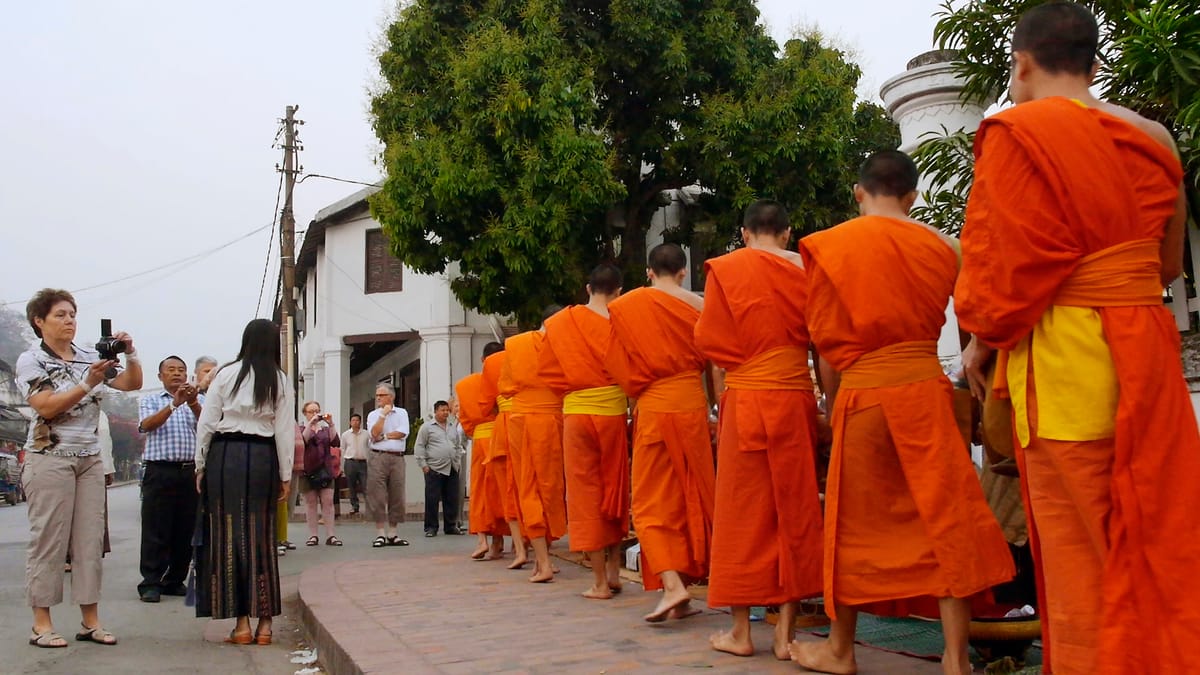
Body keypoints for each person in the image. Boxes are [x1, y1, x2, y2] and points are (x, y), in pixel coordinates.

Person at [954, 4, 1196, 673]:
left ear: (1023, 63)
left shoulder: (1015, 131)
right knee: (1157, 540)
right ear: (1093, 63)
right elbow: (1168, 263)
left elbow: (1000, 275)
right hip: (1146, 358)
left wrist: (980, 341)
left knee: (1081, 555)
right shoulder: (1155, 138)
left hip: (1068, 365)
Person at [789, 151, 1014, 675]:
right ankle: (955, 658)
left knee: (850, 524)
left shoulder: (831, 245)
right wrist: (976, 349)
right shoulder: (945, 246)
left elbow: (824, 342)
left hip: (863, 393)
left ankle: (841, 650)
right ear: (913, 197)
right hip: (925, 393)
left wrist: (828, 403)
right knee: (947, 520)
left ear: (858, 193)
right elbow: (987, 307)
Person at [694, 201, 823, 660]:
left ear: (744, 233)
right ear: (787, 233)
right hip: (794, 397)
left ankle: (740, 632)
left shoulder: (728, 269)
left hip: (746, 396)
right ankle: (786, 635)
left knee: (741, 511)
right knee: (794, 508)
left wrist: (716, 403)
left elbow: (713, 347)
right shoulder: (809, 269)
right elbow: (822, 342)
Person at [17, 288, 142, 648]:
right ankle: (41, 622)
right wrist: (89, 382)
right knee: (48, 541)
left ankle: (90, 621)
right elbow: (46, 406)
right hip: (49, 458)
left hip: (89, 459)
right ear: (39, 322)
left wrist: (130, 352)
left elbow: (131, 384)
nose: (69, 320)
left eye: (72, 314)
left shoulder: (91, 356)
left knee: (89, 542)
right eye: (60, 314)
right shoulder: (32, 360)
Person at [606, 243, 715, 623]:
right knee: (696, 493)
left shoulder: (629, 307)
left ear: (649, 273)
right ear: (684, 271)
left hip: (654, 404)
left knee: (652, 500)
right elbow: (713, 364)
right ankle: (687, 583)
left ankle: (673, 584)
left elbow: (619, 366)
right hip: (692, 405)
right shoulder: (701, 305)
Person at [194, 318, 294, 646]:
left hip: (225, 458)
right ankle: (265, 625)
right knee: (262, 537)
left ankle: (241, 625)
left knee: (229, 536)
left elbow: (207, 423)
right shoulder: (279, 379)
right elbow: (284, 430)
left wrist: (200, 465)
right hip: (263, 458)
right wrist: (285, 475)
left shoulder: (225, 373)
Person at [539, 265, 631, 599]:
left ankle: (599, 583)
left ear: (587, 287)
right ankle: (613, 570)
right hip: (613, 411)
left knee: (585, 493)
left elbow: (547, 372)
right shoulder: (624, 321)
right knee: (614, 488)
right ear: (618, 290)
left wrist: (577, 387)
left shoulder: (561, 323)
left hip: (578, 412)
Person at [504, 315, 567, 583]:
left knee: (528, 488)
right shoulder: (564, 345)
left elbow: (505, 388)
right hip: (554, 419)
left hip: (521, 419)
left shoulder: (516, 345)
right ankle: (546, 556)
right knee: (551, 487)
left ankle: (544, 562)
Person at [136, 355, 203, 603]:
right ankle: (151, 582)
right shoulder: (151, 399)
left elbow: (209, 425)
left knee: (185, 529)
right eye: (171, 370)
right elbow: (146, 425)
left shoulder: (199, 400)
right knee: (155, 527)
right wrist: (174, 405)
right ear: (160, 376)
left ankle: (174, 579)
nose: (177, 374)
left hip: (190, 471)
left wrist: (193, 403)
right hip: (159, 470)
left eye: (181, 370)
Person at [456, 347, 508, 560]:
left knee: (479, 491)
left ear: (482, 359)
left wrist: (476, 431)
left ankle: (482, 540)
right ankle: (499, 541)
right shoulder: (505, 380)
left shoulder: (466, 385)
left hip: (480, 439)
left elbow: (464, 419)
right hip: (502, 435)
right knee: (502, 489)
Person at [481, 343, 528, 567]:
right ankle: (540, 552)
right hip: (531, 421)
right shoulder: (529, 353)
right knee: (532, 486)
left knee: (508, 491)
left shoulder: (490, 366)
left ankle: (518, 549)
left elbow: (483, 407)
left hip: (504, 428)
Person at [366, 383, 410, 548]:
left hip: (397, 457)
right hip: (378, 457)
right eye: (377, 395)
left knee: (397, 494)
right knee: (377, 494)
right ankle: (380, 533)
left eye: (382, 395)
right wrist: (383, 416)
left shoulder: (401, 413)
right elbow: (373, 434)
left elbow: (402, 433)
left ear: (391, 397)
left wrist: (383, 437)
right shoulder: (373, 415)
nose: (378, 398)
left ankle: (393, 532)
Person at [415, 400, 465, 536]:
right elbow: (419, 446)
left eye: (447, 410)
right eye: (442, 410)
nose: (445, 413)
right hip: (434, 468)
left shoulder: (452, 426)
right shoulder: (427, 427)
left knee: (451, 498)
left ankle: (450, 526)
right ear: (435, 411)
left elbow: (457, 445)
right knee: (432, 499)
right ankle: (431, 527)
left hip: (452, 467)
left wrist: (457, 460)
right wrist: (423, 465)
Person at [299, 400, 342, 546]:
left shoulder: (324, 431)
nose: (315, 414)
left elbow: (335, 441)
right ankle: (313, 535)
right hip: (308, 470)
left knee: (328, 502)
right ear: (305, 414)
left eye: (317, 411)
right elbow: (304, 440)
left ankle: (331, 535)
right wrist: (311, 424)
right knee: (311, 503)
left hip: (325, 470)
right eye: (311, 411)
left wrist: (331, 423)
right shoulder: (302, 429)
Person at [341, 413, 369, 515]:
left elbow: (369, 447)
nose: (355, 422)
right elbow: (343, 448)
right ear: (350, 422)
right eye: (353, 420)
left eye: (357, 420)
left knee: (365, 485)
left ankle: (369, 507)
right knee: (351, 486)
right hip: (350, 462)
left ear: (360, 422)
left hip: (363, 462)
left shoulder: (366, 434)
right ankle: (354, 506)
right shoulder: (345, 435)